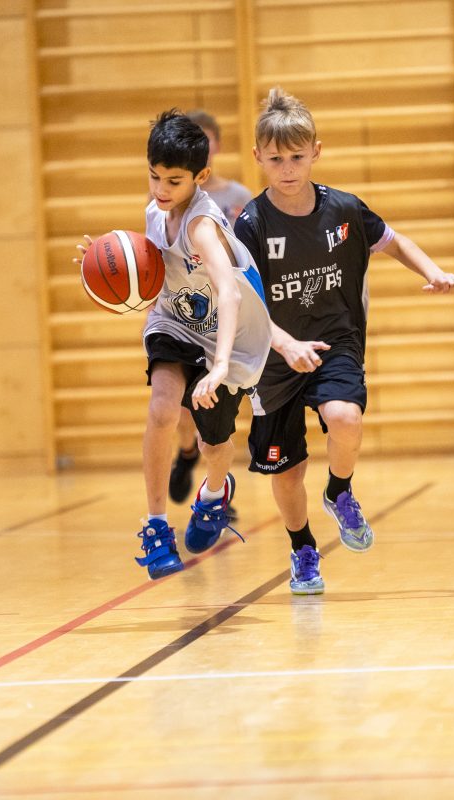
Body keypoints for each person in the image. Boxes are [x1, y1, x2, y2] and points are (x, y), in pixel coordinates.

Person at [233, 87, 454, 595]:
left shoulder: (344, 209)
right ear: (258, 157)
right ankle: (302, 549)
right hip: (273, 357)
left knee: (345, 418)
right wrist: (286, 345)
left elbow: (394, 241)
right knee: (287, 471)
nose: (287, 168)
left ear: (316, 151)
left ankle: (339, 491)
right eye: (276, 159)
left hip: (335, 341)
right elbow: (245, 306)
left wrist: (432, 270)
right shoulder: (249, 225)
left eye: (297, 157)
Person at [79, 110, 271, 580]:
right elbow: (150, 269)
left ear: (200, 178)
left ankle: (214, 492)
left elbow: (227, 292)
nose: (161, 189)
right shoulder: (155, 211)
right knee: (163, 408)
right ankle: (156, 525)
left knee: (214, 444)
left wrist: (220, 365)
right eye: (154, 176)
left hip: (228, 336)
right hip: (176, 322)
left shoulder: (202, 225)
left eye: (173, 181)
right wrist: (103, 263)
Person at [168, 109, 254, 505]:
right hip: (184, 312)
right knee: (181, 411)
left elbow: (246, 257)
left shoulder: (237, 197)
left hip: (224, 315)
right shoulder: (166, 198)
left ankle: (215, 487)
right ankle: (187, 454)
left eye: (205, 139)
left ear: (216, 144)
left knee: (213, 414)